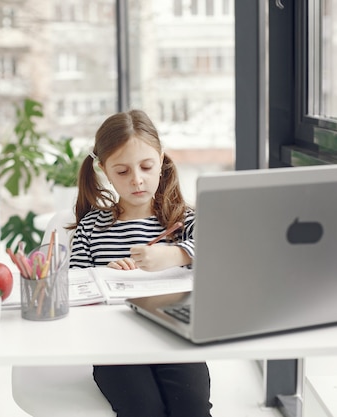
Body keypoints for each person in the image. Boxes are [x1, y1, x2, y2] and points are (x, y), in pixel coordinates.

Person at [68, 109, 212, 417]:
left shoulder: (181, 219)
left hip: (175, 336)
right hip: (113, 345)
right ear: (104, 170)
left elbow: (219, 249)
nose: (137, 180)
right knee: (143, 410)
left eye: (146, 167)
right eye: (122, 171)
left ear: (161, 161)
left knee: (193, 408)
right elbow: (73, 284)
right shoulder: (92, 227)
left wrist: (176, 254)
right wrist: (101, 274)